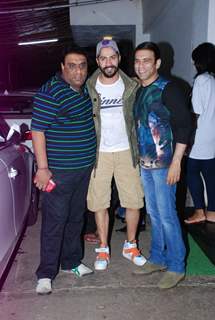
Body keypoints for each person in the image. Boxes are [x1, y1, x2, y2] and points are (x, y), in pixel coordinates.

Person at [31, 46, 97, 295]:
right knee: (54, 222)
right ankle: (46, 273)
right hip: (58, 171)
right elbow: (37, 130)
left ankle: (71, 262)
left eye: (82, 65)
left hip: (82, 169)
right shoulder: (51, 92)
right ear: (62, 67)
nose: (78, 70)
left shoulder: (81, 90)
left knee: (75, 218)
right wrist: (43, 168)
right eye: (72, 65)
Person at [133, 42, 191, 289]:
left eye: (146, 60)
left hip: (166, 163)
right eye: (137, 61)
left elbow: (185, 126)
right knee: (154, 214)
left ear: (157, 63)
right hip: (146, 164)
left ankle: (176, 265)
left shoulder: (169, 88)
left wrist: (177, 161)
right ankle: (158, 257)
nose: (141, 65)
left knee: (167, 215)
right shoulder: (139, 90)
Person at [86, 37, 146, 271]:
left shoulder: (132, 85)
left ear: (119, 58)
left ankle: (130, 245)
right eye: (103, 58)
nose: (108, 62)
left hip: (126, 151)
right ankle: (103, 248)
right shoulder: (88, 87)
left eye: (113, 57)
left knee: (134, 201)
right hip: (99, 153)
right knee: (100, 202)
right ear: (98, 61)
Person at [184, 43, 215, 224]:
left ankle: (199, 211)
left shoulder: (201, 80)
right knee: (211, 175)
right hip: (212, 136)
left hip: (199, 136)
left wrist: (187, 139)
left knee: (192, 172)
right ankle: (212, 212)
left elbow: (195, 112)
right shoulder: (213, 79)